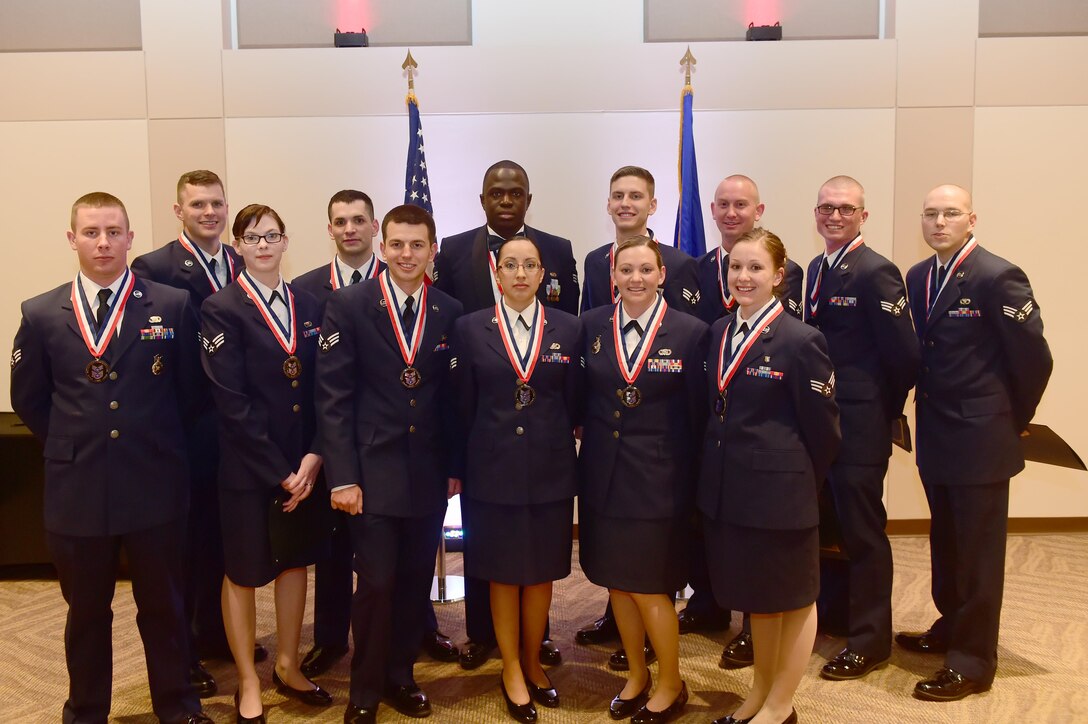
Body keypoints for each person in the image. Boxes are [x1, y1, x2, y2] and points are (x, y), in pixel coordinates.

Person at [10, 192, 211, 723]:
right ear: (72, 238)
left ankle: (177, 704)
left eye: (114, 231)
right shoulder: (41, 312)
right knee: (87, 612)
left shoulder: (170, 305)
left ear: (130, 238)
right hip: (77, 493)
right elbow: (29, 397)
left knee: (165, 607)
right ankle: (86, 710)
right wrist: (74, 444)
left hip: (155, 484)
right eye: (92, 232)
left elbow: (191, 393)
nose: (104, 242)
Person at [900, 184, 1052, 701]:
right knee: (946, 541)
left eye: (950, 214)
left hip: (982, 436)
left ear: (971, 220)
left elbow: (1034, 359)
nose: (939, 222)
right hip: (939, 434)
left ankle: (972, 661)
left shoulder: (997, 275)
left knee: (979, 552)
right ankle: (951, 625)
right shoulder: (920, 276)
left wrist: (1014, 417)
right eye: (930, 214)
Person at [317, 204, 464, 724]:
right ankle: (364, 690)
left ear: (432, 250)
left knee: (411, 580)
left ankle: (401, 675)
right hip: (370, 474)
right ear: (382, 247)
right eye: (397, 245)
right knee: (376, 584)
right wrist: (344, 477)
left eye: (417, 245)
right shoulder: (348, 304)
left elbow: (452, 399)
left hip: (426, 474)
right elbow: (333, 397)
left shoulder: (448, 309)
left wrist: (454, 466)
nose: (406, 255)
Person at [433, 160, 571, 670]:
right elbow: (447, 319)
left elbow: (567, 338)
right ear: (483, 198)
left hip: (543, 435)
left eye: (516, 193)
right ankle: (483, 634)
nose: (507, 200)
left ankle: (536, 641)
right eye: (497, 192)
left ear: (528, 199)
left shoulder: (558, 250)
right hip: (485, 426)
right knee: (487, 550)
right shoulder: (451, 250)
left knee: (539, 557)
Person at [699, 228, 840, 724]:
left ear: (779, 276)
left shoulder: (802, 341)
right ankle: (759, 693)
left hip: (781, 495)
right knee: (759, 602)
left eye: (756, 267)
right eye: (736, 266)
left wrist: (797, 483)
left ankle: (782, 705)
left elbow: (824, 433)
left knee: (795, 599)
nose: (743, 276)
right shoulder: (718, 331)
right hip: (732, 491)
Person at [200, 204, 332, 722]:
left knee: (295, 563)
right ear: (237, 245)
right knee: (244, 571)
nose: (262, 245)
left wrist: (315, 456)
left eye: (272, 235)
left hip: (306, 464)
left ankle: (287, 664)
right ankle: (249, 681)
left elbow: (327, 387)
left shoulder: (310, 302)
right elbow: (231, 401)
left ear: (285, 241)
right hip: (250, 469)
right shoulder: (221, 308)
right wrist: (281, 469)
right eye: (252, 237)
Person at [450, 237, 583, 722]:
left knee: (541, 571)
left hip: (549, 469)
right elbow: (462, 405)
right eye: (511, 265)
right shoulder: (469, 328)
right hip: (491, 471)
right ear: (497, 271)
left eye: (530, 265)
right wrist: (459, 470)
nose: (521, 273)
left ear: (543, 272)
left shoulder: (569, 329)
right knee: (503, 574)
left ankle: (533, 659)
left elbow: (574, 401)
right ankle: (510, 666)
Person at [578, 236, 708, 724]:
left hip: (660, 480)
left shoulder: (692, 332)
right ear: (612, 275)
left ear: (661, 275)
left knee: (652, 587)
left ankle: (671, 682)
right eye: (625, 270)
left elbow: (698, 415)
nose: (635, 278)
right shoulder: (590, 326)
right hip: (603, 477)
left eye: (645, 270)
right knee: (617, 583)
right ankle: (637, 674)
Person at [131, 169, 250, 696]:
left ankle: (220, 635)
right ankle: (183, 654)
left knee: (224, 539)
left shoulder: (242, 262)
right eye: (198, 205)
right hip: (189, 425)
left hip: (237, 426)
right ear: (178, 210)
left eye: (217, 204)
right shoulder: (153, 267)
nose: (210, 213)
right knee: (185, 546)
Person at [687, 174, 806, 670]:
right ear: (711, 211)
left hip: (771, 460)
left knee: (772, 571)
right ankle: (715, 607)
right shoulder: (696, 277)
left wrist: (794, 471)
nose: (731, 212)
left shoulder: (798, 327)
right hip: (721, 448)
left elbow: (817, 423)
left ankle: (759, 641)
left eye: (742, 204)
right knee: (730, 550)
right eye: (723, 204)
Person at [804, 176, 920, 681]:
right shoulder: (815, 268)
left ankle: (871, 639)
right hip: (820, 424)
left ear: (862, 216)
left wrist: (879, 410)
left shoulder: (877, 271)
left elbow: (904, 356)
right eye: (827, 208)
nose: (835, 216)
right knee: (827, 527)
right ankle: (836, 615)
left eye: (846, 209)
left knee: (863, 532)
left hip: (859, 425)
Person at [579, 166, 700, 315]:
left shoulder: (679, 264)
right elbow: (586, 324)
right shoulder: (594, 261)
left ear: (652, 205)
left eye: (635, 196)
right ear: (609, 205)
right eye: (618, 196)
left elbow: (688, 331)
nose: (625, 203)